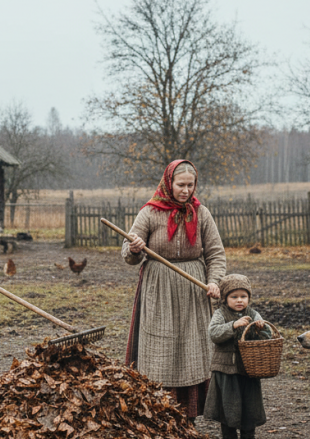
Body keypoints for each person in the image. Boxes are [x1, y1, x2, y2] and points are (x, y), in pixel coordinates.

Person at [123, 159, 226, 422]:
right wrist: (134, 248)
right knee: (161, 346)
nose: (186, 190)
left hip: (193, 290)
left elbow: (215, 253)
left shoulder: (201, 213)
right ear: (169, 183)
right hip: (158, 289)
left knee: (192, 348)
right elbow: (128, 254)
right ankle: (158, 413)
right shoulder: (149, 212)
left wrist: (214, 280)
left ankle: (189, 416)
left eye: (191, 185)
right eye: (181, 185)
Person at [204, 274, 272, 439]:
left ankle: (248, 434)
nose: (239, 300)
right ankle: (229, 435)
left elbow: (267, 336)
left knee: (249, 407)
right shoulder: (220, 313)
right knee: (228, 408)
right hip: (226, 371)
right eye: (234, 297)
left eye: (243, 296)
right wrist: (233, 326)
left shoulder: (253, 314)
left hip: (248, 370)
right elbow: (214, 333)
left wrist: (261, 329)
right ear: (225, 298)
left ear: (249, 298)